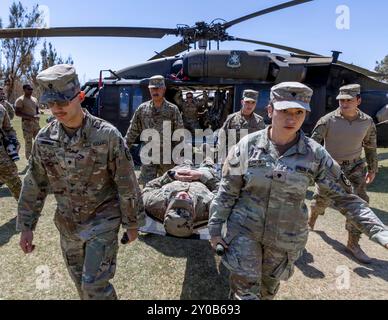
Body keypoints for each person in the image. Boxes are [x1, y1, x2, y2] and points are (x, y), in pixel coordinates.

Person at [208, 82, 388, 300]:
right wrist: (215, 230)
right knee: (243, 292)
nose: (292, 119)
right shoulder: (246, 146)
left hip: (284, 237)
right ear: (270, 110)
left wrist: (380, 232)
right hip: (245, 232)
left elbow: (347, 199)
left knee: (268, 290)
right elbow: (227, 192)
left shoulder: (315, 154)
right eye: (285, 111)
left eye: (299, 112)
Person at [17, 64, 143, 300]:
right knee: (81, 287)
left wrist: (132, 222)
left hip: (103, 220)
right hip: (68, 225)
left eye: (63, 102)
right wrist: (26, 226)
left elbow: (126, 182)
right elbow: (34, 183)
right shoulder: (44, 140)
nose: (56, 109)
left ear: (80, 97)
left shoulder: (107, 136)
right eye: (50, 103)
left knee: (94, 286)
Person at [309, 84, 378, 264]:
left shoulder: (367, 122)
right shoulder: (327, 120)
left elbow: (370, 146)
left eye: (349, 100)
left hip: (355, 167)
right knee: (321, 201)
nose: (344, 103)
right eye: (341, 100)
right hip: (330, 168)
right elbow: (313, 146)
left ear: (358, 101)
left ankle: (353, 244)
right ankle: (313, 216)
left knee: (359, 204)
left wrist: (372, 168)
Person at [125, 75, 184, 185]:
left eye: (158, 88)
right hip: (149, 156)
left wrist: (179, 158)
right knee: (147, 188)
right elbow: (132, 132)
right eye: (153, 88)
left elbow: (179, 135)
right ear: (149, 89)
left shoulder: (172, 110)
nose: (155, 91)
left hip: (167, 158)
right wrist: (123, 150)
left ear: (164, 89)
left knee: (168, 188)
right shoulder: (142, 109)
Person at [142, 158, 219, 237]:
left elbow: (149, 187)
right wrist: (202, 176)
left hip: (181, 170)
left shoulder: (153, 203)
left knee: (185, 157)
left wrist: (171, 176)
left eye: (175, 201)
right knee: (208, 160)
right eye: (188, 203)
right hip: (203, 174)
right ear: (194, 214)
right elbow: (221, 192)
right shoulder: (209, 210)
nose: (182, 196)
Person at [217, 89, 265, 163]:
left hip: (250, 158)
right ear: (242, 102)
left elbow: (263, 141)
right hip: (233, 157)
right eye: (247, 102)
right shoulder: (232, 118)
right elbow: (222, 136)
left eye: (253, 102)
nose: (250, 105)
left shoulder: (259, 121)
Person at [0, 103, 22, 200]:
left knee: (14, 181)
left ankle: (27, 212)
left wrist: (14, 141)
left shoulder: (1, 108)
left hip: (2, 156)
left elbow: (7, 128)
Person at [15, 84, 41, 160]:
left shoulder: (35, 99)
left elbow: (36, 110)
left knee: (39, 140)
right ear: (24, 90)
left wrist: (37, 115)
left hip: (36, 124)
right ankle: (29, 160)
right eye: (29, 89)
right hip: (27, 124)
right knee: (28, 143)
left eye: (31, 89)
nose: (31, 90)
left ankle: (39, 158)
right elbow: (17, 113)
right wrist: (30, 117)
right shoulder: (20, 100)